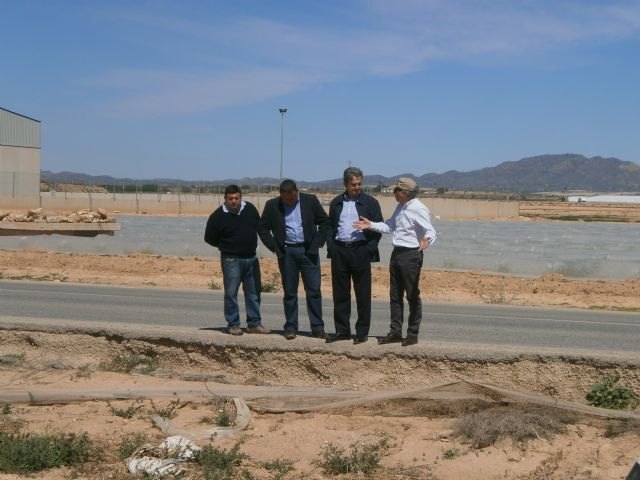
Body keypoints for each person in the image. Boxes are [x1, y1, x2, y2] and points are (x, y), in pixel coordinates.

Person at [353, 177, 437, 346]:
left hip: (411, 255)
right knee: (395, 295)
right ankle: (395, 332)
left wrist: (427, 240)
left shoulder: (419, 208)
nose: (393, 193)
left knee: (412, 294)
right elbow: (390, 226)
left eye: (396, 191)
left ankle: (412, 334)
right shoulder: (400, 207)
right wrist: (370, 225)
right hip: (397, 253)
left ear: (405, 193)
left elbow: (431, 230)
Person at [257, 179, 330, 340]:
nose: (289, 202)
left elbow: (325, 222)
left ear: (297, 192)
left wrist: (317, 243)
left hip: (308, 252)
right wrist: (276, 248)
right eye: (286, 200)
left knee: (314, 291)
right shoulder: (272, 205)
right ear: (281, 195)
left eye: (292, 199)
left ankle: (317, 327)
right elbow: (262, 228)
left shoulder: (310, 201)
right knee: (290, 292)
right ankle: (290, 326)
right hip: (287, 253)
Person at [325, 167, 383, 345]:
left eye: (359, 184)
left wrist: (369, 248)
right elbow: (330, 227)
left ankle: (362, 332)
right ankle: (342, 331)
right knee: (340, 294)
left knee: (362, 294)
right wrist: (332, 246)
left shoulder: (370, 203)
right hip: (340, 251)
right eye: (353, 184)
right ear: (345, 184)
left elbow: (378, 227)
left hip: (360, 251)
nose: (357, 187)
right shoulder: (336, 203)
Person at [204, 184, 270, 336]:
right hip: (231, 260)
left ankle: (254, 324)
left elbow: (258, 228)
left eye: (236, 198)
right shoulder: (217, 216)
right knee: (231, 293)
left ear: (241, 197)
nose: (234, 201)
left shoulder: (250, 209)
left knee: (253, 293)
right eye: (230, 198)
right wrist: (226, 246)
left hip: (251, 259)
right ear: (225, 199)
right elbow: (209, 238)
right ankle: (233, 324)